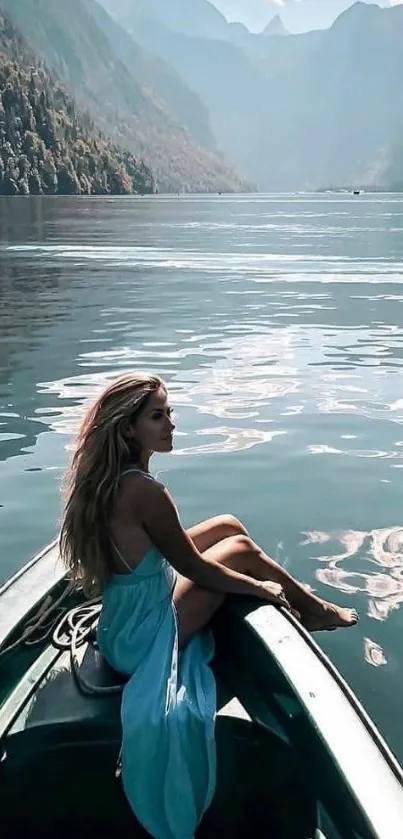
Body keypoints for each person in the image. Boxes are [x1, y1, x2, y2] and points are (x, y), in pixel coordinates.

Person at [60, 372, 358, 839]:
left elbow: (168, 556)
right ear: (128, 429)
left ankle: (310, 607)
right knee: (238, 551)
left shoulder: (111, 480)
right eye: (158, 416)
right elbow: (196, 569)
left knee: (226, 525)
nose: (171, 424)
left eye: (169, 413)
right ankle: (313, 608)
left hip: (120, 622)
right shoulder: (146, 492)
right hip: (143, 635)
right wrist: (259, 589)